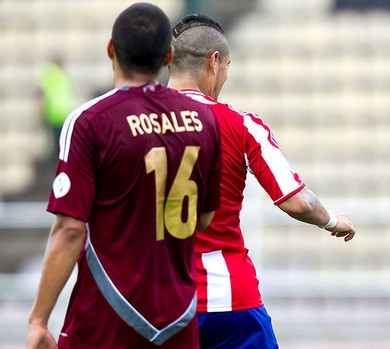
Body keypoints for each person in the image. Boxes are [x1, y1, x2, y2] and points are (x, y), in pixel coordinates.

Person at [26, 3, 222, 348]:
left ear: (111, 49)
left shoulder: (90, 121)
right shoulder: (203, 120)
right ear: (168, 57)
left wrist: (39, 320)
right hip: (179, 317)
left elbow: (71, 230)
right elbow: (204, 218)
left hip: (108, 314)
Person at [167, 14, 356, 348]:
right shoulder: (240, 125)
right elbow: (296, 201)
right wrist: (331, 220)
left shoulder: (132, 124)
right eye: (227, 66)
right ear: (213, 62)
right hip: (227, 301)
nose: (225, 75)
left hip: (155, 300)